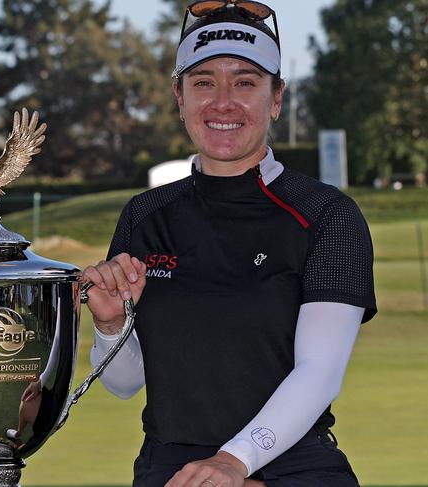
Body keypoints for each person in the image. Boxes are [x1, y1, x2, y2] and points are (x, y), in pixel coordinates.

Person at [81, 1, 377, 486]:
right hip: (170, 466)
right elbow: (123, 383)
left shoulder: (326, 215)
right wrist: (111, 325)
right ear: (179, 98)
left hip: (293, 464)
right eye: (202, 82)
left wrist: (233, 462)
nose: (223, 102)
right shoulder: (144, 214)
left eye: (245, 82)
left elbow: (319, 373)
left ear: (276, 98)